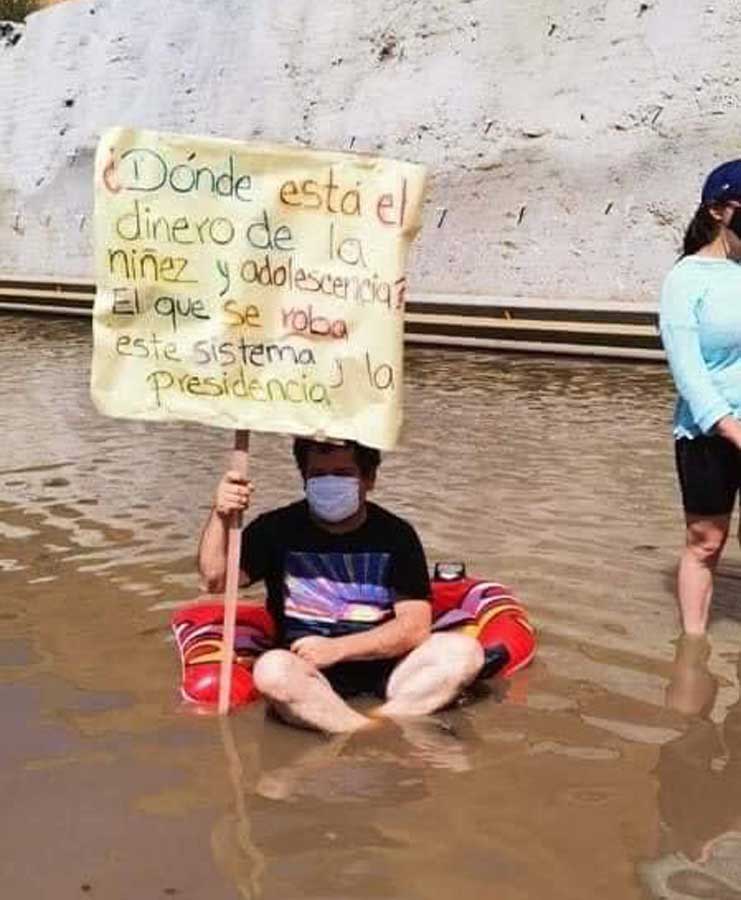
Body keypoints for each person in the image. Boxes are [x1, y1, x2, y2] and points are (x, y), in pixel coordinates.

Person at [197, 438, 484, 732]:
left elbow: (415, 626)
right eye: (318, 474)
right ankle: (370, 731)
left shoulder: (397, 535)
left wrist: (337, 648)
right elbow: (215, 579)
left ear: (369, 479)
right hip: (307, 671)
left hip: (391, 670)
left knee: (464, 652)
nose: (329, 482)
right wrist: (220, 514)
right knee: (272, 671)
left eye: (343, 473)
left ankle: (373, 723)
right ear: (304, 479)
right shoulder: (275, 528)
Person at [660, 159, 741, 635]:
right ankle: (692, 651)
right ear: (717, 210)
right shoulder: (686, 280)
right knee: (706, 542)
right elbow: (687, 371)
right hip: (708, 431)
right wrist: (731, 428)